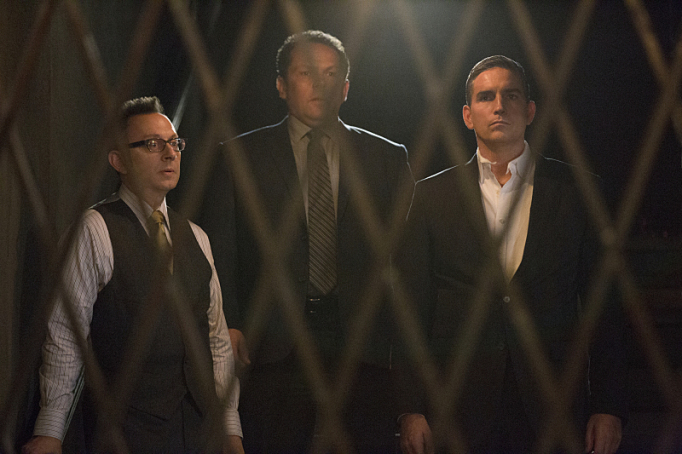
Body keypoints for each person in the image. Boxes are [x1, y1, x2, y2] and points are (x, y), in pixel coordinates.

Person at [396, 55, 627, 454]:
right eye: (486, 97)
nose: (499, 105)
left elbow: (605, 306)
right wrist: (409, 409)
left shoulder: (578, 192)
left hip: (554, 406)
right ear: (467, 115)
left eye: (511, 95)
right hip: (457, 409)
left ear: (531, 110)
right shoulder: (431, 195)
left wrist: (609, 406)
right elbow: (410, 309)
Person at [200, 30, 413, 452]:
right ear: (281, 85)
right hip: (274, 341)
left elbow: (408, 256)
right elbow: (221, 247)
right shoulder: (239, 156)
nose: (320, 83)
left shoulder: (387, 157)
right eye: (306, 73)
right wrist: (231, 321)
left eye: (331, 74)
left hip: (364, 342)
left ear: (346, 88)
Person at [22, 97, 244, 454]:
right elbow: (65, 334)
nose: (170, 154)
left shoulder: (196, 237)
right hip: (124, 432)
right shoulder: (95, 229)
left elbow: (216, 341)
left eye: (175, 143)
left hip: (197, 432)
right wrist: (51, 429)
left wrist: (230, 428)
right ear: (119, 161)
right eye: (152, 144)